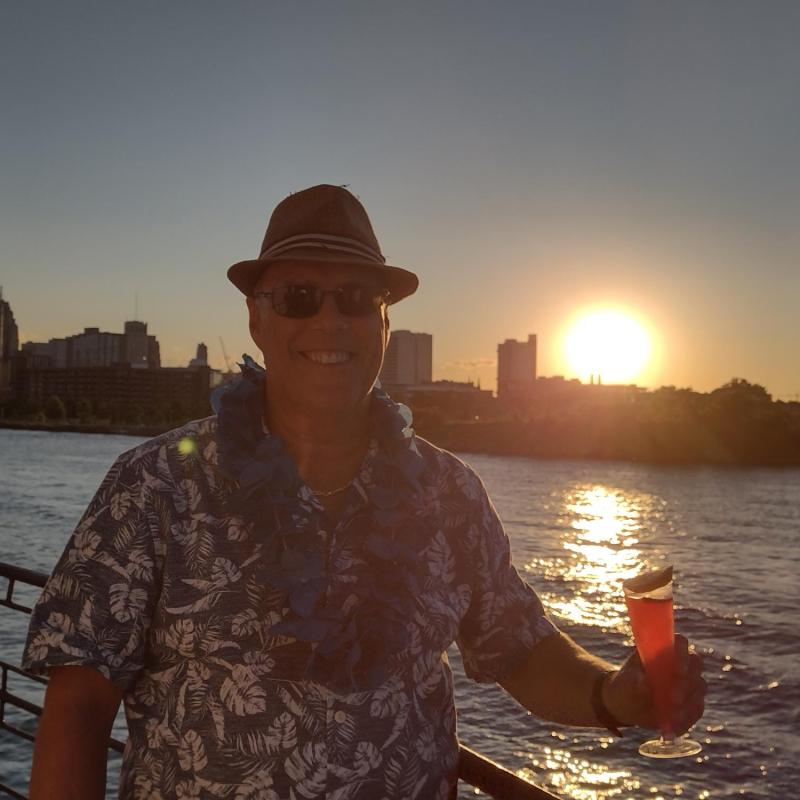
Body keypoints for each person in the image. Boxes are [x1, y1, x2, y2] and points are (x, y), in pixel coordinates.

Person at [23, 184, 705, 800]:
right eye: (299, 297)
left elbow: (522, 651)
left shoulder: (449, 493)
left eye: (356, 298)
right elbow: (80, 703)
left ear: (384, 324)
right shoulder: (155, 484)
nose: (330, 321)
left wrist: (613, 694)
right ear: (257, 319)